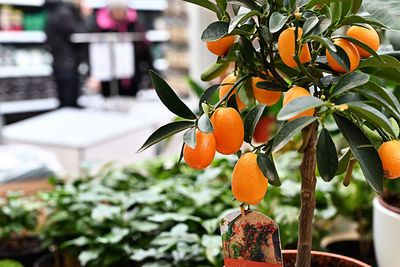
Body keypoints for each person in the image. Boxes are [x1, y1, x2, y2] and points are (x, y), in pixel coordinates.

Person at [95, 0, 153, 97]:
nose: (118, 12)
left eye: (120, 9)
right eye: (115, 9)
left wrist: (152, 75)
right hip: (107, 77)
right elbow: (94, 51)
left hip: (132, 77)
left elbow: (145, 50)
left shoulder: (134, 25)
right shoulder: (101, 26)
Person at [45, 0, 94, 107]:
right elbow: (80, 34)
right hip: (67, 65)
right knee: (69, 105)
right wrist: (86, 17)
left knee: (65, 103)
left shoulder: (56, 11)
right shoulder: (64, 13)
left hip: (61, 63)